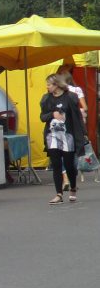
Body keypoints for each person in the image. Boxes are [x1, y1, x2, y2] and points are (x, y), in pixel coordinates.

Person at [40, 74, 87, 205]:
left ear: (57, 85)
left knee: (69, 165)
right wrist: (52, 114)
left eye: (49, 84)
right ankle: (58, 194)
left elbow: (76, 117)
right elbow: (42, 117)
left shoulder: (70, 98)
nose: (47, 87)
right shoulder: (46, 99)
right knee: (56, 165)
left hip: (68, 136)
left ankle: (72, 187)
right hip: (52, 136)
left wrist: (83, 133)